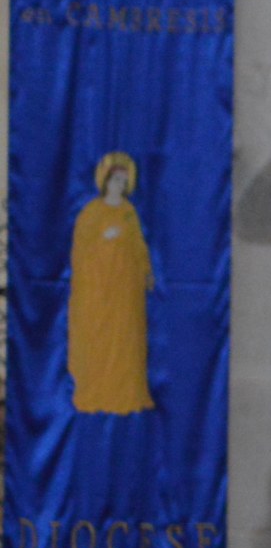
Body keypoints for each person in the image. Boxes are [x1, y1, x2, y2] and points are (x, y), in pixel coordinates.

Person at [68, 150, 155, 414]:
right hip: (99, 292)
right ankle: (99, 391)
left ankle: (125, 393)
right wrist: (104, 239)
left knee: (126, 341)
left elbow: (139, 247)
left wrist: (146, 271)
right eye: (115, 180)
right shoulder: (91, 213)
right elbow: (81, 252)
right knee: (101, 342)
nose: (119, 185)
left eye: (123, 180)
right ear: (105, 181)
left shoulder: (129, 212)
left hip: (126, 292)